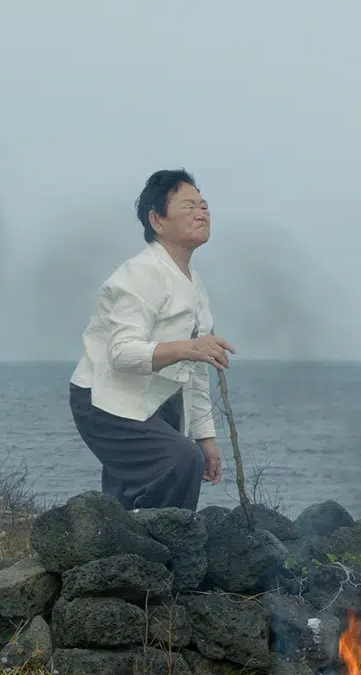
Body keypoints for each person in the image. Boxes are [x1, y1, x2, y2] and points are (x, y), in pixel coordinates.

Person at [68, 169, 236, 511]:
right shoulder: (140, 274)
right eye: (188, 206)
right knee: (180, 461)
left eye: (203, 205)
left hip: (156, 401)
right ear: (157, 220)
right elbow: (121, 353)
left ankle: (126, 556)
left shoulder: (194, 284)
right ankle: (167, 551)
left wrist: (206, 438)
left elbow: (197, 370)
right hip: (104, 400)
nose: (201, 212)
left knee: (122, 503)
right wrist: (191, 347)